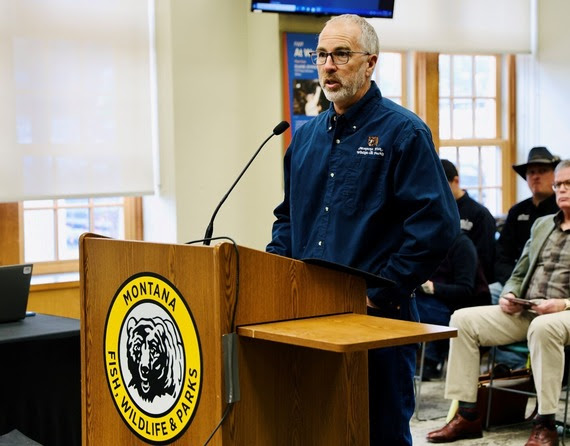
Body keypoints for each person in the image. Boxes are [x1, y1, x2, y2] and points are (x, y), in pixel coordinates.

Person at [266, 14, 459, 445]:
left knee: (381, 433)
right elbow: (289, 219)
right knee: (317, 428)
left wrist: (380, 291)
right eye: (321, 55)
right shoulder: (306, 138)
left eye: (341, 54)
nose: (329, 65)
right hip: (309, 317)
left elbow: (437, 224)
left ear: (370, 63)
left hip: (377, 320)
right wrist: (275, 278)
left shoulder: (404, 132)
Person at [427, 159, 570, 446]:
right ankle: (467, 414)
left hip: (563, 311)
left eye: (568, 184)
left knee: (544, 327)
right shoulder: (543, 225)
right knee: (463, 320)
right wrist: (509, 293)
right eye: (559, 184)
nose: (561, 190)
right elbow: (519, 271)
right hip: (528, 308)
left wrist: (563, 305)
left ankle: (545, 423)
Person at [416, 231, 490, 381]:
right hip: (434, 301)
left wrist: (433, 287)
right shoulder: (428, 241)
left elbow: (466, 290)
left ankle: (430, 360)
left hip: (460, 307)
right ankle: (430, 359)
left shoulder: (462, 245)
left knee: (404, 307)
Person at [493, 146, 560, 301]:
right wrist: (512, 286)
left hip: (550, 282)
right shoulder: (517, 211)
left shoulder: (562, 210)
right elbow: (502, 255)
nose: (536, 176)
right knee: (489, 293)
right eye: (531, 172)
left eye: (542, 171)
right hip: (516, 278)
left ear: (555, 176)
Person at [440, 159, 497, 284]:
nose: (439, 191)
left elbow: (485, 259)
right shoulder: (436, 211)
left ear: (456, 181)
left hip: (471, 282)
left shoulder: (480, 214)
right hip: (441, 281)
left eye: (442, 185)